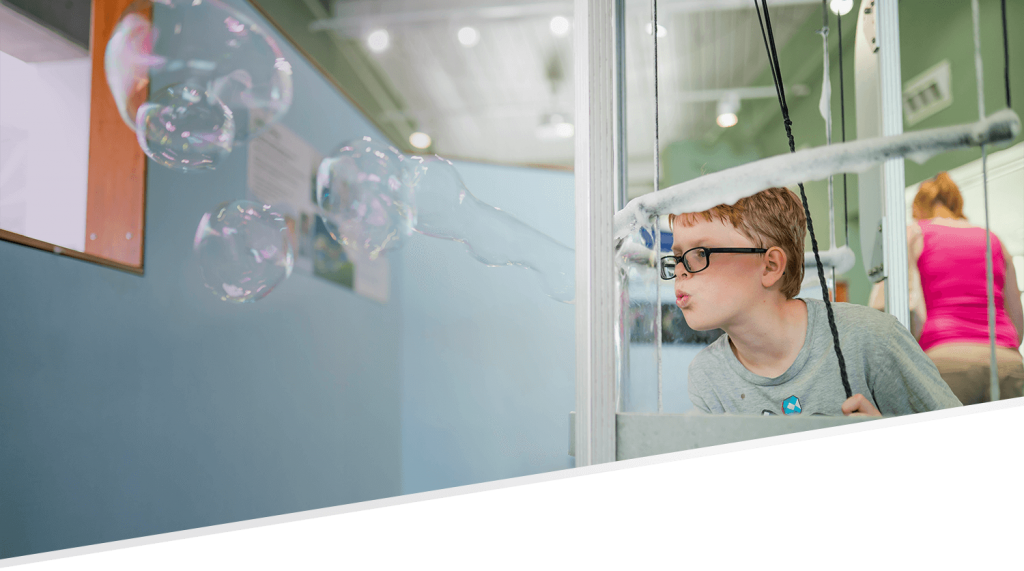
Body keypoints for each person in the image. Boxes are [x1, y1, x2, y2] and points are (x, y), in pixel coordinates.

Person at [667, 186, 963, 417]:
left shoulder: (872, 340)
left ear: (770, 266)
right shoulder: (708, 374)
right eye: (677, 256)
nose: (680, 269)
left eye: (700, 253)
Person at [869, 172, 1024, 404]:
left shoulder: (915, 234)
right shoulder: (993, 239)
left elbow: (890, 308)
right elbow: (1018, 321)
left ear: (918, 207)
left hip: (946, 361)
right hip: (1007, 362)